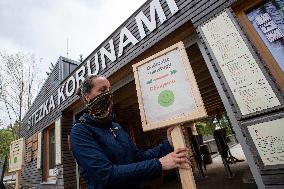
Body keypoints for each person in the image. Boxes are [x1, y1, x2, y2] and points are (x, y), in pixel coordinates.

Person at [70, 75, 190, 189]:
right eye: (102, 90)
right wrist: (159, 164)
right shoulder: (80, 131)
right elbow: (106, 174)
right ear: (87, 96)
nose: (108, 93)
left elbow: (137, 157)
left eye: (109, 89)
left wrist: (168, 144)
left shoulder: (116, 126)